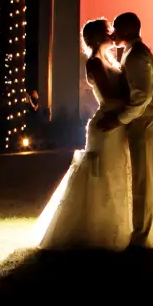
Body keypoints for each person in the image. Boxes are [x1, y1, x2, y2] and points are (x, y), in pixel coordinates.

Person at [33, 19, 132, 250]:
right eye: (109, 31)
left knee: (116, 172)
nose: (113, 34)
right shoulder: (94, 64)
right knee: (102, 175)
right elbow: (109, 97)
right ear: (98, 37)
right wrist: (137, 102)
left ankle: (115, 227)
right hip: (106, 125)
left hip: (116, 123)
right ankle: (92, 229)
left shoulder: (110, 59)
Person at [97, 12, 153, 249]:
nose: (113, 33)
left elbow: (142, 97)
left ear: (126, 30)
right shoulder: (132, 53)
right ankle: (144, 236)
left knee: (144, 181)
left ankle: (143, 240)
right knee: (142, 179)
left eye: (116, 28)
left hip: (146, 121)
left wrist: (118, 120)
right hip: (142, 121)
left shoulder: (136, 55)